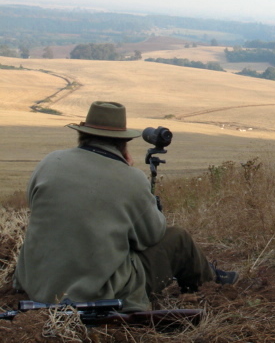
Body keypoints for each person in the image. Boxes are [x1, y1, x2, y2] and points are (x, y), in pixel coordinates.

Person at [14, 101, 238, 312]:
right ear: (123, 142)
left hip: (38, 286)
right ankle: (211, 287)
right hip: (98, 294)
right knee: (178, 238)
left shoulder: (49, 162)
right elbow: (152, 236)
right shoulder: (130, 178)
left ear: (83, 134)